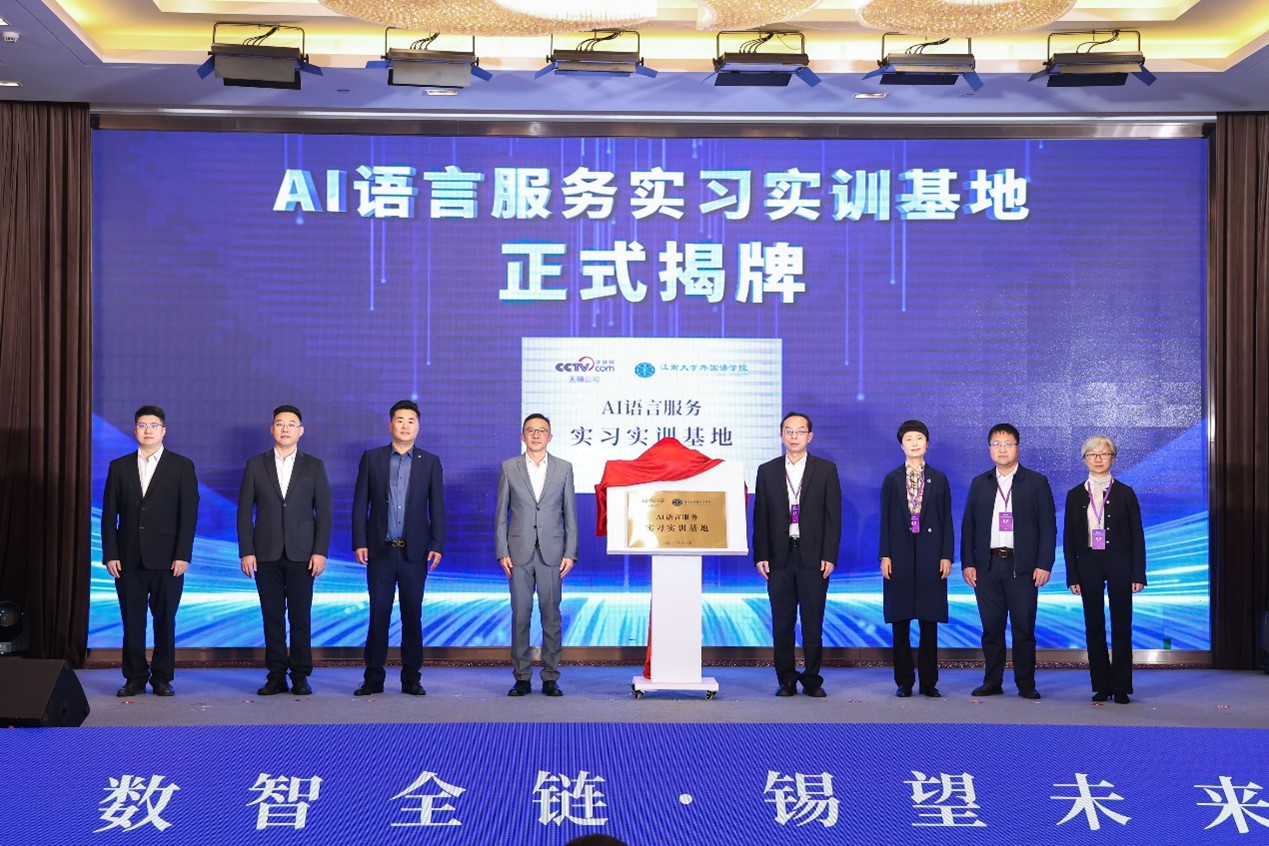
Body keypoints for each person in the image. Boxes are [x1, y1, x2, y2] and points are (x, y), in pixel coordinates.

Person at [101, 405, 199, 697]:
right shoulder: (119, 466)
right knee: (132, 622)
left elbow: (189, 514)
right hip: (128, 559)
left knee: (165, 621)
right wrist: (110, 553)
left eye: (154, 425)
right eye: (142, 425)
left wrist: (183, 554)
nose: (147, 430)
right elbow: (109, 514)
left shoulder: (181, 466)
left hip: (168, 560)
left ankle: (162, 678)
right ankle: (134, 677)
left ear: (163, 431)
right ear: (135, 430)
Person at [351, 399, 446, 696]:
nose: (405, 426)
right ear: (390, 424)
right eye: (400, 420)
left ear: (418, 427)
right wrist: (359, 541)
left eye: (411, 421)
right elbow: (360, 503)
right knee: (378, 615)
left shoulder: (430, 462)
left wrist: (437, 544)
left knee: (412, 616)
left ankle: (411, 678)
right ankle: (373, 678)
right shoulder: (372, 458)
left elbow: (437, 507)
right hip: (380, 551)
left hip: (414, 554)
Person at [236, 405, 332, 696]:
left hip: (303, 555)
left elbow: (324, 513)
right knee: (272, 616)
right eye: (280, 423)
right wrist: (246, 551)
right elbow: (244, 512)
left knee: (301, 617)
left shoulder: (313, 466)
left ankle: (301, 675)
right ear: (272, 429)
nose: (285, 428)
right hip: (265, 553)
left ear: (300, 431)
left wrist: (320, 551)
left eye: (291, 424)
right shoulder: (256, 464)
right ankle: (276, 675)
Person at [961, 422, 1056, 699]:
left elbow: (1048, 527)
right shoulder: (980, 483)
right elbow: (968, 526)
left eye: (1008, 444)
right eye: (996, 444)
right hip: (987, 567)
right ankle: (992, 681)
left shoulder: (1036, 482)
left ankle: (1026, 683)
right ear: (990, 449)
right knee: (991, 628)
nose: (1002, 449)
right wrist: (968, 563)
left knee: (1023, 628)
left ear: (1018, 447)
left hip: (1022, 567)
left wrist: (1044, 563)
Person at [753, 412, 842, 697]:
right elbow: (760, 516)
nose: (794, 436)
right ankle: (786, 679)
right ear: (781, 436)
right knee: (782, 622)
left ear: (809, 436)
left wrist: (829, 555)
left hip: (813, 557)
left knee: (813, 622)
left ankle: (812, 679)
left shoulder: (826, 469)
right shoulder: (767, 471)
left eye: (800, 431)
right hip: (778, 557)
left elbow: (833, 517)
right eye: (789, 431)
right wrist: (761, 554)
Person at [495, 413, 578, 697]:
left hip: (553, 553)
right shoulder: (509, 467)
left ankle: (550, 677)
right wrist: (502, 551)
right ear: (522, 436)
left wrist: (570, 552)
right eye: (530, 430)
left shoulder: (564, 468)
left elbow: (570, 514)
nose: (536, 435)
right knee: (520, 616)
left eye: (542, 430)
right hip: (518, 553)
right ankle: (522, 677)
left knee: (551, 616)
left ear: (550, 437)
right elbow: (501, 515)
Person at [1064, 435, 1147, 704]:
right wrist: (1072, 574)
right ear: (1084, 459)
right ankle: (1101, 685)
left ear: (1113, 457)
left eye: (1104, 453)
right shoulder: (1075, 495)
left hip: (1120, 562)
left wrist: (1138, 573)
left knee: (1122, 625)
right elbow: (1068, 539)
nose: (1098, 459)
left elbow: (1137, 535)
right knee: (1094, 625)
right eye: (1092, 454)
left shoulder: (1125, 493)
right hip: (1088, 563)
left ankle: (1121, 686)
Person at [879, 420, 953, 698]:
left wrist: (946, 555)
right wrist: (884, 554)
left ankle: (929, 682)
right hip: (899, 553)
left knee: (928, 621)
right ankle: (904, 682)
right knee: (900, 621)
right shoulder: (892, 479)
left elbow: (946, 520)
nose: (914, 443)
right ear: (901, 445)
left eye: (919, 438)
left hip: (930, 554)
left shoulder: (939, 478)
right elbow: (885, 520)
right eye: (908, 438)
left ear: (927, 444)